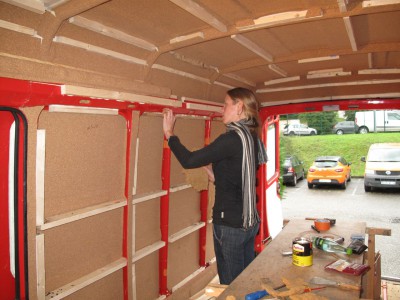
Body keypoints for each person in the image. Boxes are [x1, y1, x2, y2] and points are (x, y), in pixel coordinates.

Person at [163, 87, 267, 285]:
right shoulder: (251, 137)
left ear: (239, 107)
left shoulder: (231, 139)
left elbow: (189, 160)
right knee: (245, 281)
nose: (222, 110)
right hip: (250, 223)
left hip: (231, 226)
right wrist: (215, 176)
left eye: (226, 104)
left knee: (231, 287)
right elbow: (240, 176)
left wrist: (170, 134)